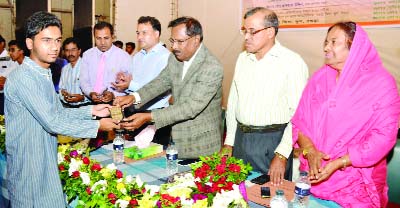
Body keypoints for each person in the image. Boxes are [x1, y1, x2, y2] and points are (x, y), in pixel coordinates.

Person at [4, 11, 119, 207]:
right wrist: (98, 125)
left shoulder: (43, 73)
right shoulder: (24, 77)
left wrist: (91, 111)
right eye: (47, 40)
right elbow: (53, 121)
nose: (55, 47)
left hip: (44, 158)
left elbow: (57, 110)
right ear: (30, 43)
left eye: (57, 40)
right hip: (30, 163)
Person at [292, 22, 400, 207]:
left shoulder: (381, 84)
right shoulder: (320, 78)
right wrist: (310, 152)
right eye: (326, 42)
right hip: (313, 176)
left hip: (355, 184)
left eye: (334, 42)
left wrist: (339, 162)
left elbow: (384, 137)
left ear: (354, 45)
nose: (326, 47)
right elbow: (300, 122)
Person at [221, 7, 308, 185]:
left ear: (270, 32)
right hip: (241, 139)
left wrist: (282, 154)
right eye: (244, 31)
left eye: (252, 31)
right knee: (236, 193)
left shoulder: (292, 62)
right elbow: (233, 102)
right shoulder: (242, 59)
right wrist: (229, 142)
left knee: (268, 197)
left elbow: (298, 114)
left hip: (272, 143)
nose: (246, 37)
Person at [114, 16, 223, 158]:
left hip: (201, 145)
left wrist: (149, 117)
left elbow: (190, 107)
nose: (174, 46)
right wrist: (134, 97)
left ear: (196, 40)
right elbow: (160, 82)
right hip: (176, 141)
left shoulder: (211, 67)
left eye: (180, 41)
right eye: (172, 41)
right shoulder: (175, 58)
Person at [111, 16, 171, 146]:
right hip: (135, 110)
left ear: (156, 34)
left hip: (155, 116)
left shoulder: (165, 57)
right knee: (133, 154)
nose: (139, 37)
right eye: (138, 33)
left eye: (144, 33)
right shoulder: (137, 56)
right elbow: (135, 84)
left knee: (155, 159)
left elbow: (158, 88)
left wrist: (130, 84)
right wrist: (125, 83)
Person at [80, 21, 131, 104]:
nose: (102, 42)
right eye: (98, 38)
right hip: (90, 102)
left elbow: (128, 85)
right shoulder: (87, 55)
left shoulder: (124, 57)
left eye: (106, 38)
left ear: (113, 37)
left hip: (115, 103)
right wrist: (90, 93)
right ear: (94, 37)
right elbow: (83, 80)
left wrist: (113, 94)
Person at [59, 37, 89, 107]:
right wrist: (64, 95)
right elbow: (61, 89)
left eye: (73, 50)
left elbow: (96, 91)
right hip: (69, 107)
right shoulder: (65, 69)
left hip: (85, 106)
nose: (70, 53)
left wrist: (83, 98)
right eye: (67, 50)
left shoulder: (87, 67)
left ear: (79, 51)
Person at [0, 35, 18, 115]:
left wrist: (3, 78)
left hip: (5, 93)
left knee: (3, 115)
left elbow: (12, 71)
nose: (11, 52)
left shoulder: (8, 56)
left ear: (2, 44)